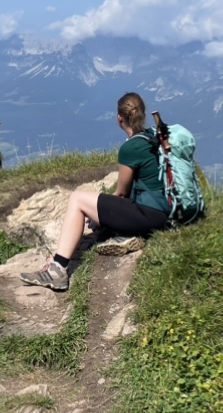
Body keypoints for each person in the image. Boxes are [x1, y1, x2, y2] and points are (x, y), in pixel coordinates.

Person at [20, 92, 170, 291]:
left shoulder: (131, 148)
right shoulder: (153, 136)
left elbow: (122, 193)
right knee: (96, 206)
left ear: (119, 119)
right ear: (142, 113)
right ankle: (125, 233)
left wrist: (99, 215)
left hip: (150, 216)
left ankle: (57, 270)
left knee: (77, 199)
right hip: (167, 212)